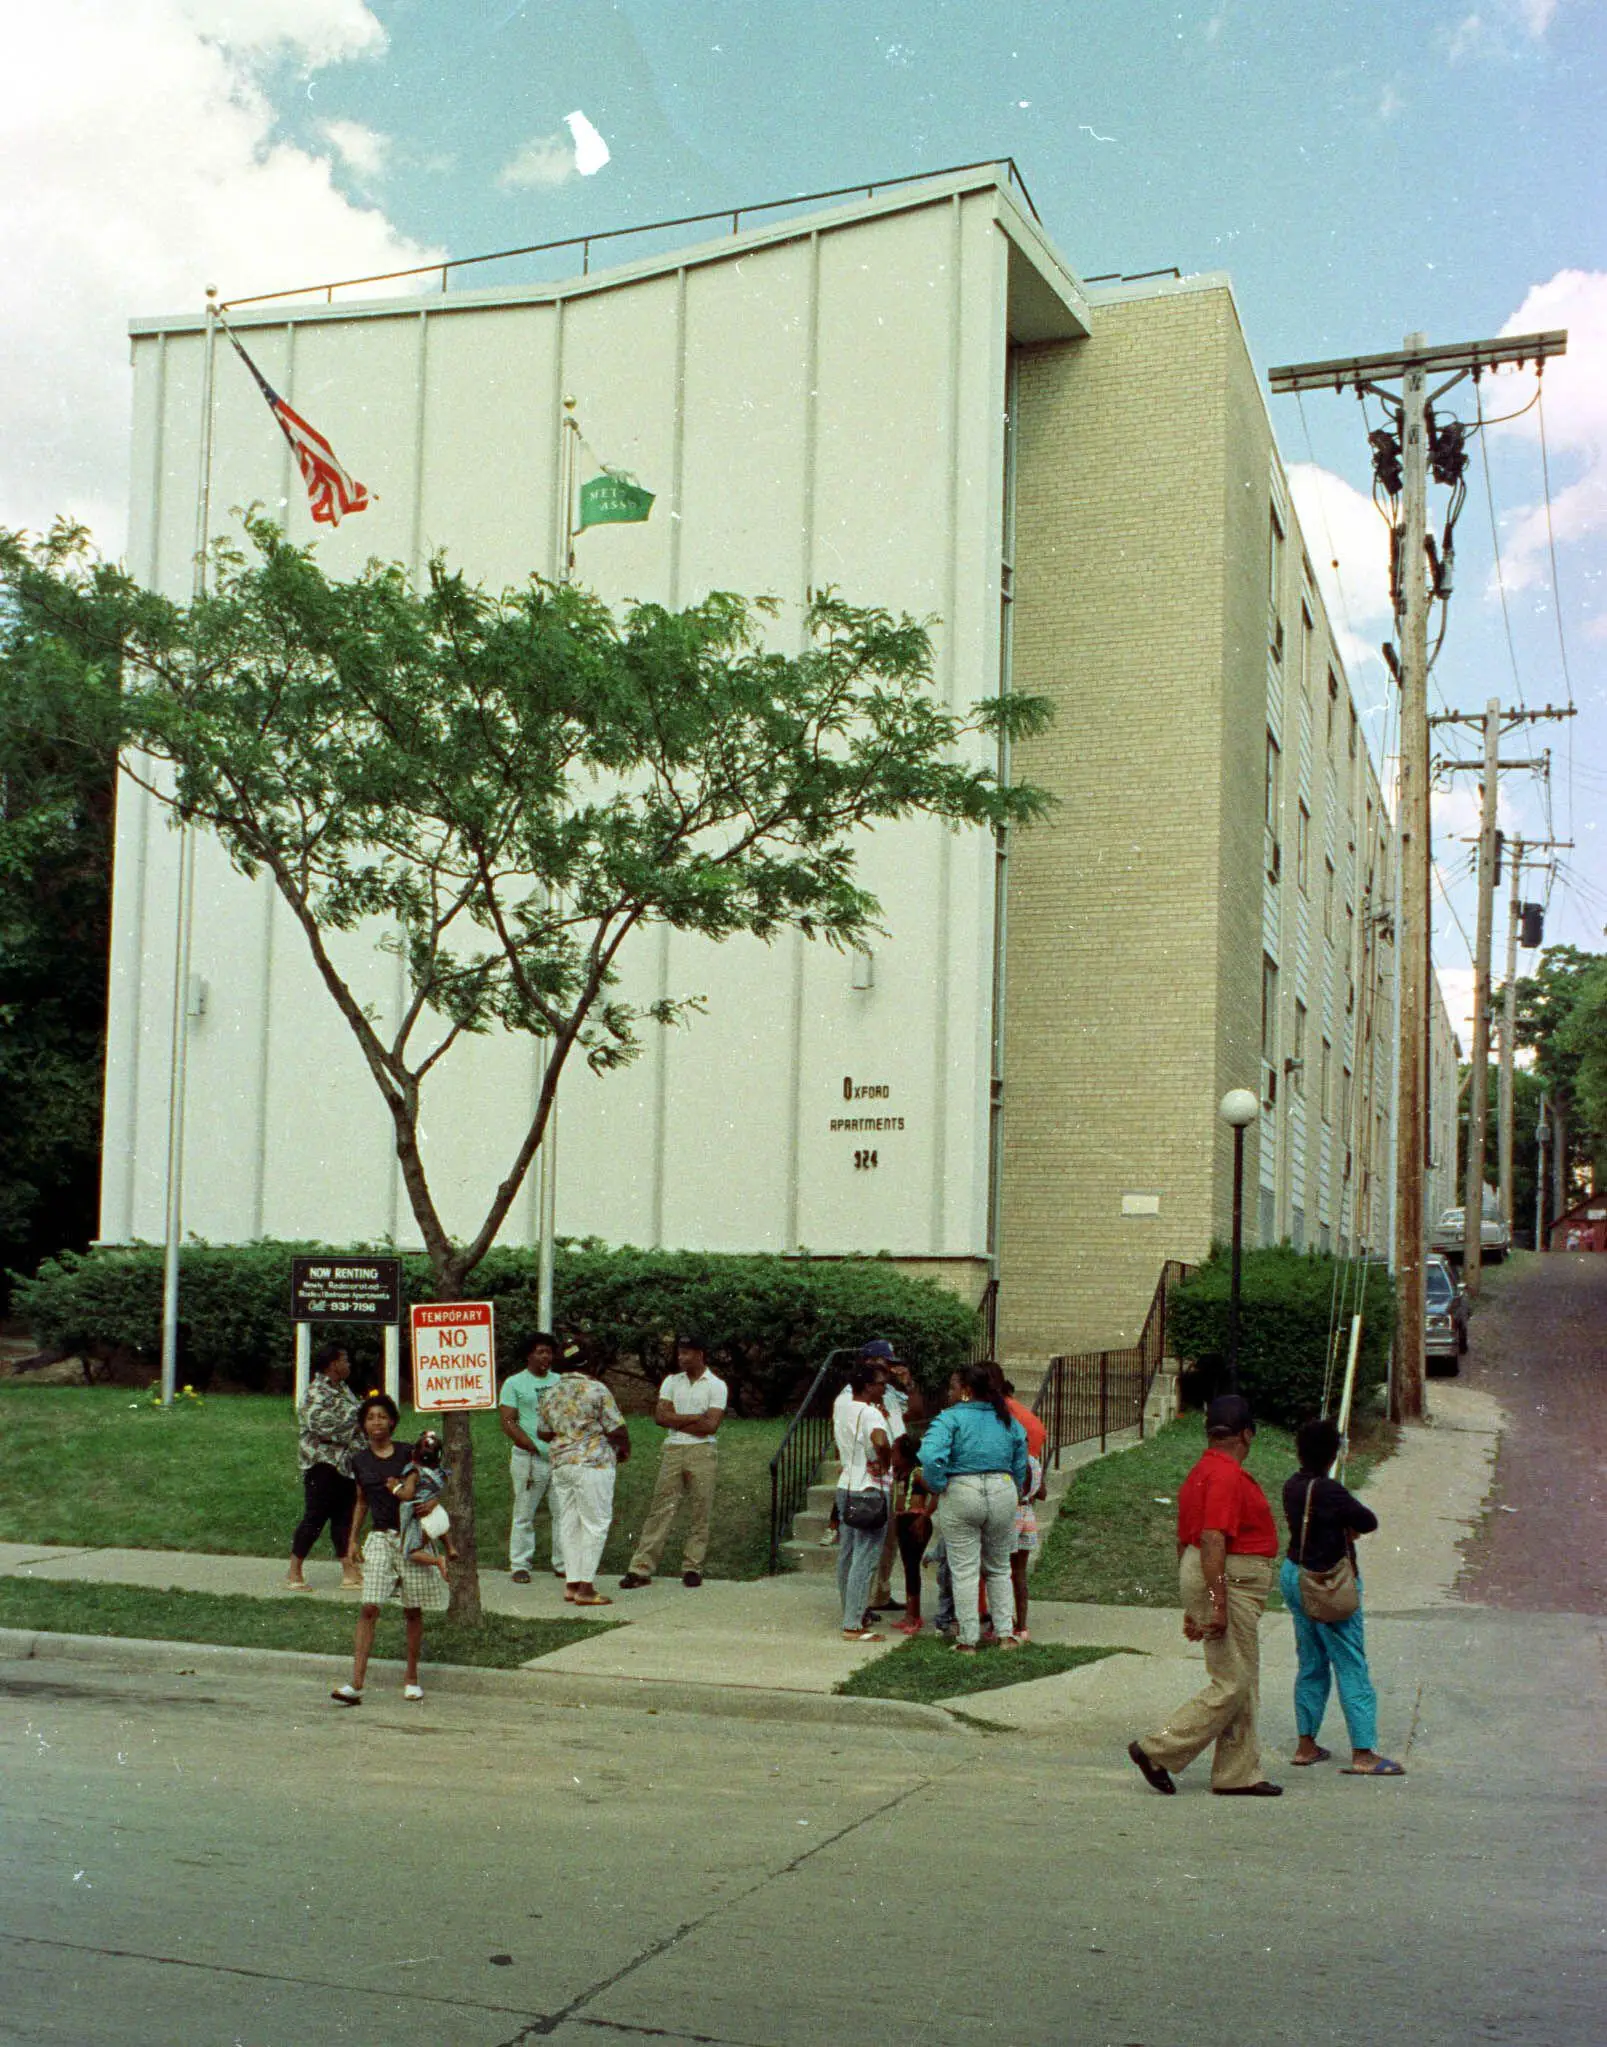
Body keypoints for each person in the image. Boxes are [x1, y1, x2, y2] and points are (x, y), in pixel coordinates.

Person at [1127, 1394, 1282, 1796]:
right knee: (1234, 1681)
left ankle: (1238, 1773)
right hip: (1230, 1579)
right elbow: (1213, 1540)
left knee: (1239, 1675)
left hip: (1207, 1574)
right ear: (1246, 1434)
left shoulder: (1200, 1471)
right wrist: (1217, 1601)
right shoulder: (1227, 1475)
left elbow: (1186, 1545)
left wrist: (1195, 1601)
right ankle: (1157, 1749)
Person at [1283, 1416, 1405, 1777]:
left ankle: (1306, 1744)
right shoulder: (1331, 1491)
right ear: (1333, 1454)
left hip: (1294, 1575)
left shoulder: (1293, 1486)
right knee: (1350, 1662)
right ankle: (1364, 1752)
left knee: (1311, 1661)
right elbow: (1367, 1521)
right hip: (1328, 1584)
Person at [331, 1394, 448, 1707]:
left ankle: (412, 1678)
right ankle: (356, 1682)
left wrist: (434, 1501)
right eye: (370, 1418)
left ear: (393, 1421)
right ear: (363, 1425)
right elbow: (361, 1501)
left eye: (382, 1416)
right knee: (369, 1606)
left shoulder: (410, 1453)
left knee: (412, 1608)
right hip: (381, 1537)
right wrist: (352, 1539)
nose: (377, 1423)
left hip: (411, 1535)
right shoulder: (360, 1460)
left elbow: (433, 1482)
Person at [917, 1363, 1029, 1654]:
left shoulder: (950, 1418)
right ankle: (1005, 1634)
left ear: (966, 1391)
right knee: (999, 1567)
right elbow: (1022, 1452)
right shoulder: (1005, 1418)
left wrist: (938, 1483)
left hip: (961, 1489)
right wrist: (1014, 1486)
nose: (949, 1392)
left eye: (953, 1387)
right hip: (1002, 1487)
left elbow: (929, 1455)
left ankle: (968, 1639)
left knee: (964, 1570)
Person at [619, 1332, 728, 1589]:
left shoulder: (716, 1385)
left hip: (702, 1451)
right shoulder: (671, 1381)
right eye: (680, 1352)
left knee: (700, 1510)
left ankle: (693, 1567)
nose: (681, 1357)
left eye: (686, 1352)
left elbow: (711, 1426)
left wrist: (677, 1419)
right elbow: (660, 1417)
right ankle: (640, 1568)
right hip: (673, 1450)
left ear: (700, 1354)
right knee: (661, 1508)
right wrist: (694, 1418)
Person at [539, 1353, 631, 1607]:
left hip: (561, 1464)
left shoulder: (549, 1392)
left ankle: (572, 1583)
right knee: (596, 1523)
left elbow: (543, 1431)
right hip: (593, 1462)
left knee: (569, 1523)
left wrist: (567, 1435)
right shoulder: (596, 1389)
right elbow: (617, 1428)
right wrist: (623, 1449)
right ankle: (587, 1588)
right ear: (587, 1363)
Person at [287, 1341, 363, 1591]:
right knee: (315, 1517)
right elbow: (321, 1425)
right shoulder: (316, 1392)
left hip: (346, 1464)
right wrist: (357, 1424)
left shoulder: (342, 1389)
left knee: (345, 1516)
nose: (349, 1364)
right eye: (346, 1359)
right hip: (322, 1463)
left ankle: (349, 1571)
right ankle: (294, 1571)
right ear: (334, 1364)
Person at [834, 1358, 893, 1642]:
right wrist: (886, 1461)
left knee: (847, 1553)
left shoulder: (842, 1405)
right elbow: (881, 1442)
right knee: (865, 1556)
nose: (885, 1389)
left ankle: (850, 1611)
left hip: (846, 1485)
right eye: (881, 1384)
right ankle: (854, 1624)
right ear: (868, 1386)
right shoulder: (872, 1414)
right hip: (869, 1488)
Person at [499, 1332, 566, 1584]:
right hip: (528, 1457)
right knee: (524, 1512)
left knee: (562, 1512)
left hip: (559, 1457)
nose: (545, 1357)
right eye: (540, 1352)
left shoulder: (560, 1381)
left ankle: (562, 1563)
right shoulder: (514, 1383)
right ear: (529, 1354)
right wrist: (533, 1445)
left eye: (548, 1352)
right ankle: (520, 1564)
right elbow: (508, 1421)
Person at [862, 1340, 921, 1614]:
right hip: (876, 1471)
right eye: (886, 1361)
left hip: (896, 1470)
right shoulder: (857, 1395)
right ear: (870, 1362)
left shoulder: (889, 1394)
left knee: (890, 1539)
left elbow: (917, 1412)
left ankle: (881, 1594)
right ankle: (866, 1596)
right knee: (874, 1538)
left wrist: (908, 1383)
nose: (890, 1367)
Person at [393, 1428, 455, 1582]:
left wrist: (394, 1487)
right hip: (437, 1512)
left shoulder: (414, 1473)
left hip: (419, 1514)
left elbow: (407, 1495)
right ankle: (450, 1547)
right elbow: (444, 1489)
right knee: (442, 1532)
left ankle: (438, 1560)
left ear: (414, 1454)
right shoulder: (441, 1473)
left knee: (410, 1551)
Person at [889, 1433, 935, 1634]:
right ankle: (910, 1613)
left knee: (912, 1567)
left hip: (915, 1521)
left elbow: (936, 1494)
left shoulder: (918, 1473)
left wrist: (923, 1517)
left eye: (895, 1451)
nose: (892, 1455)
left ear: (905, 1454)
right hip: (902, 1520)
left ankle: (915, 1615)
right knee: (908, 1567)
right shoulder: (899, 1473)